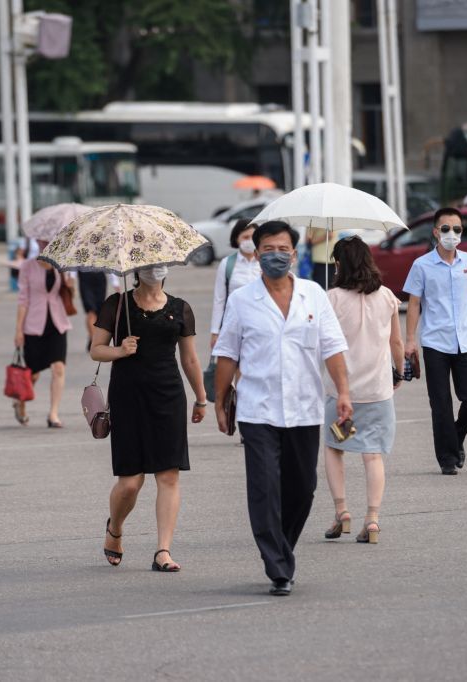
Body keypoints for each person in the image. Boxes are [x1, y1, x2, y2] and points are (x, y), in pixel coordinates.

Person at [213, 220, 352, 596]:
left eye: (283, 249)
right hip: (258, 410)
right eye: (269, 250)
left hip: (305, 408)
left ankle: (282, 548)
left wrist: (343, 392)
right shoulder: (242, 299)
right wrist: (220, 401)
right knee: (264, 488)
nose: (277, 255)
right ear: (257, 255)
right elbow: (226, 354)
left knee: (303, 487)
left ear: (295, 253)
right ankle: (278, 566)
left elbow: (333, 347)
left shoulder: (313, 295)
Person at [92, 266, 207, 573]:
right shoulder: (116, 304)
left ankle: (163, 551)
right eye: (148, 266)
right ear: (136, 271)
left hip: (168, 396)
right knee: (130, 482)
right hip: (127, 397)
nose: (156, 270)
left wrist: (201, 396)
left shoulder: (181, 307)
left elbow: (190, 358)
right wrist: (119, 350)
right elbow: (96, 350)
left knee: (168, 476)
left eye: (161, 265)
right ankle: (114, 528)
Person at [322, 237, 404, 544]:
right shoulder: (387, 297)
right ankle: (372, 519)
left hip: (341, 391)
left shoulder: (331, 299)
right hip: (377, 391)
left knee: (334, 447)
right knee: (373, 455)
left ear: (339, 264)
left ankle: (341, 512)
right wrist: (398, 372)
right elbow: (396, 342)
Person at [404, 207, 467, 475]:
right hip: (435, 342)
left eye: (457, 229)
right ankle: (447, 458)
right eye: (446, 229)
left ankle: (457, 436)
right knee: (440, 403)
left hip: (465, 340)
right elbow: (414, 304)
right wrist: (410, 340)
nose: (451, 234)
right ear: (435, 232)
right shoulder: (421, 265)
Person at [13, 243, 73, 427]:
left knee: (58, 368)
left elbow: (67, 294)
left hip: (57, 323)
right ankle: (20, 402)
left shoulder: (60, 264)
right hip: (33, 324)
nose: (46, 244)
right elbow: (23, 299)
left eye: (50, 241)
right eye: (43, 241)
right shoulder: (28, 266)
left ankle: (53, 414)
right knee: (33, 374)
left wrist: (70, 285)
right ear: (38, 243)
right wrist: (19, 330)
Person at [209, 219, 261, 349]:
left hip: (261, 323)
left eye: (253, 237)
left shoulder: (264, 262)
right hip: (234, 325)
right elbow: (219, 300)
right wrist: (215, 332)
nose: (250, 241)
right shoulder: (227, 264)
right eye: (245, 237)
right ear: (236, 238)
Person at [78, 270, 121, 351]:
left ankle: (93, 338)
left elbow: (108, 261)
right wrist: (71, 277)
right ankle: (94, 340)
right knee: (91, 310)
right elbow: (75, 259)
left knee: (98, 311)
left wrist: (115, 282)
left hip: (99, 276)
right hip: (85, 275)